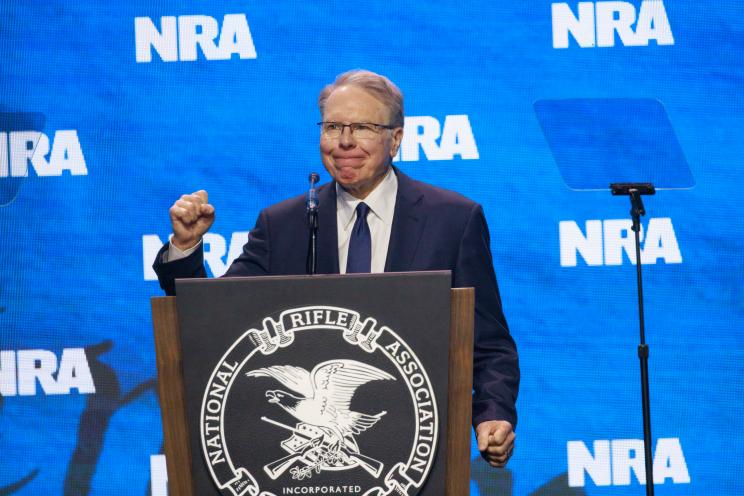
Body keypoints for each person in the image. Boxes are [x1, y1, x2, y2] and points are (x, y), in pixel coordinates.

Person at [153, 69, 519, 468]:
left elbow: (488, 343)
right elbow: (217, 318)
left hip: (416, 447)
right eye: (332, 127)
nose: (344, 142)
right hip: (309, 466)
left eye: (361, 127)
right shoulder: (284, 224)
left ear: (395, 138)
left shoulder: (453, 220)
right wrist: (186, 247)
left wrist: (492, 415)